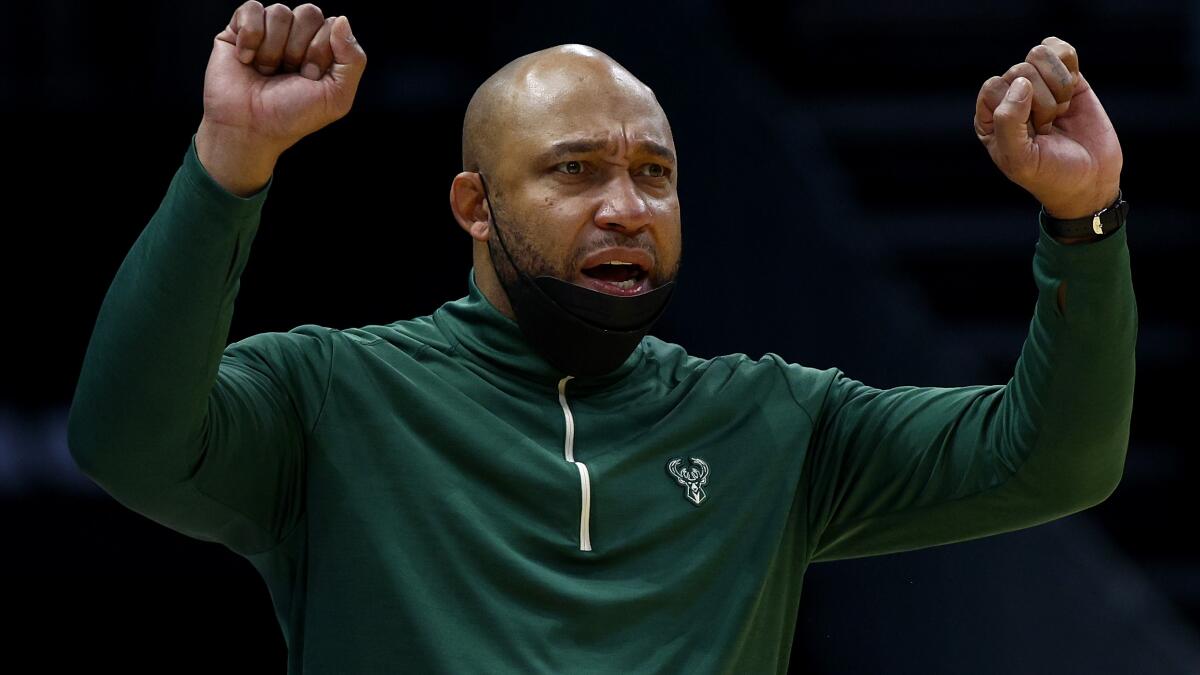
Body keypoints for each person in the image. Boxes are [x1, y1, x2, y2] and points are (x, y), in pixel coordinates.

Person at [67, 2, 1135, 673]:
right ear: (473, 207)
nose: (628, 207)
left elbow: (1056, 459)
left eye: (655, 174)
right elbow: (126, 439)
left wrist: (1083, 221)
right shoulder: (332, 396)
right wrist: (228, 161)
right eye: (575, 170)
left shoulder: (775, 420)